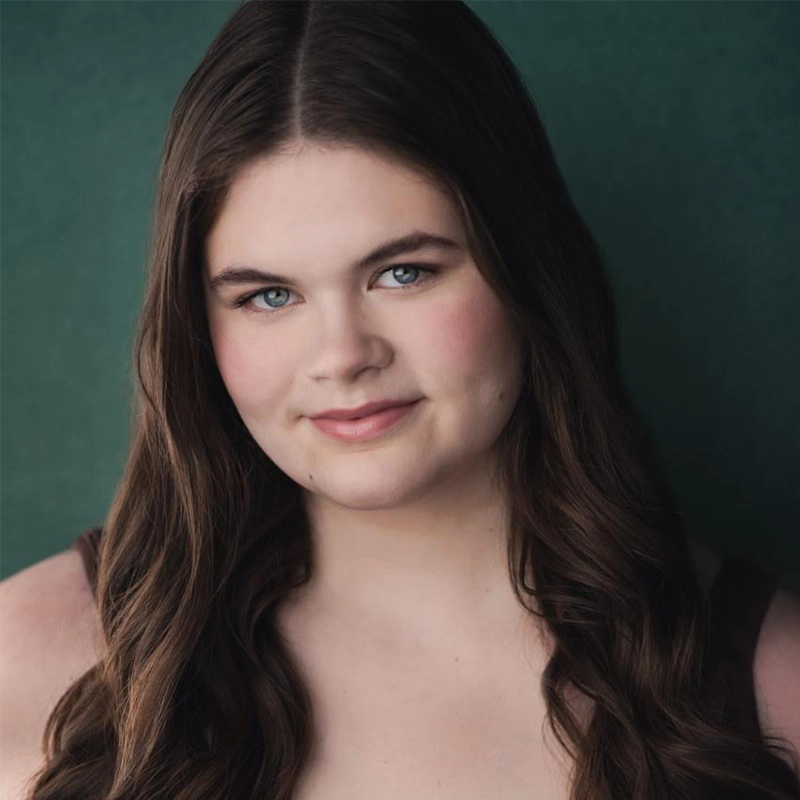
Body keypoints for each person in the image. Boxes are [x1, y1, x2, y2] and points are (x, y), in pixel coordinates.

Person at [2, 1, 799, 798]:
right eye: (269, 295)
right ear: (197, 327)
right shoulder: (26, 658)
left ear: (525, 268)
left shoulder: (769, 688)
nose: (343, 356)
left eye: (403, 272)